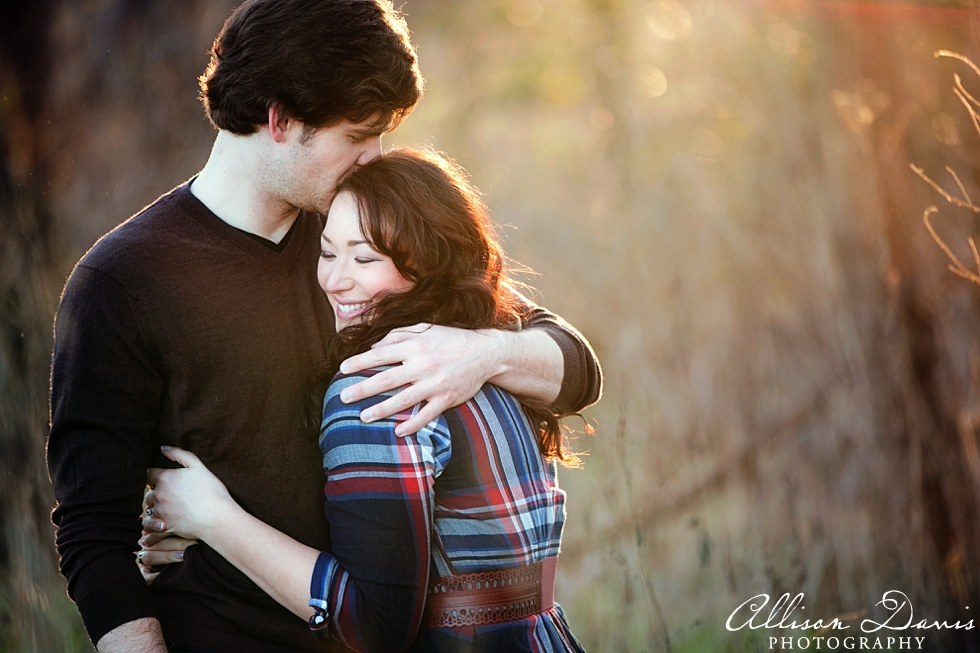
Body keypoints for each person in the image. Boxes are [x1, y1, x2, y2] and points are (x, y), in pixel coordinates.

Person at [46, 2, 600, 653]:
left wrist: (480, 353)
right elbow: (95, 539)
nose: (374, 158)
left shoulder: (364, 234)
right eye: (359, 135)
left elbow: (576, 372)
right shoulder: (122, 281)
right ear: (280, 120)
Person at [142, 147, 590, 653]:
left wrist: (214, 520)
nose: (335, 281)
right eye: (327, 253)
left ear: (425, 264)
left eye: (364, 258)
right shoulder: (496, 353)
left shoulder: (374, 392)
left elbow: (376, 625)